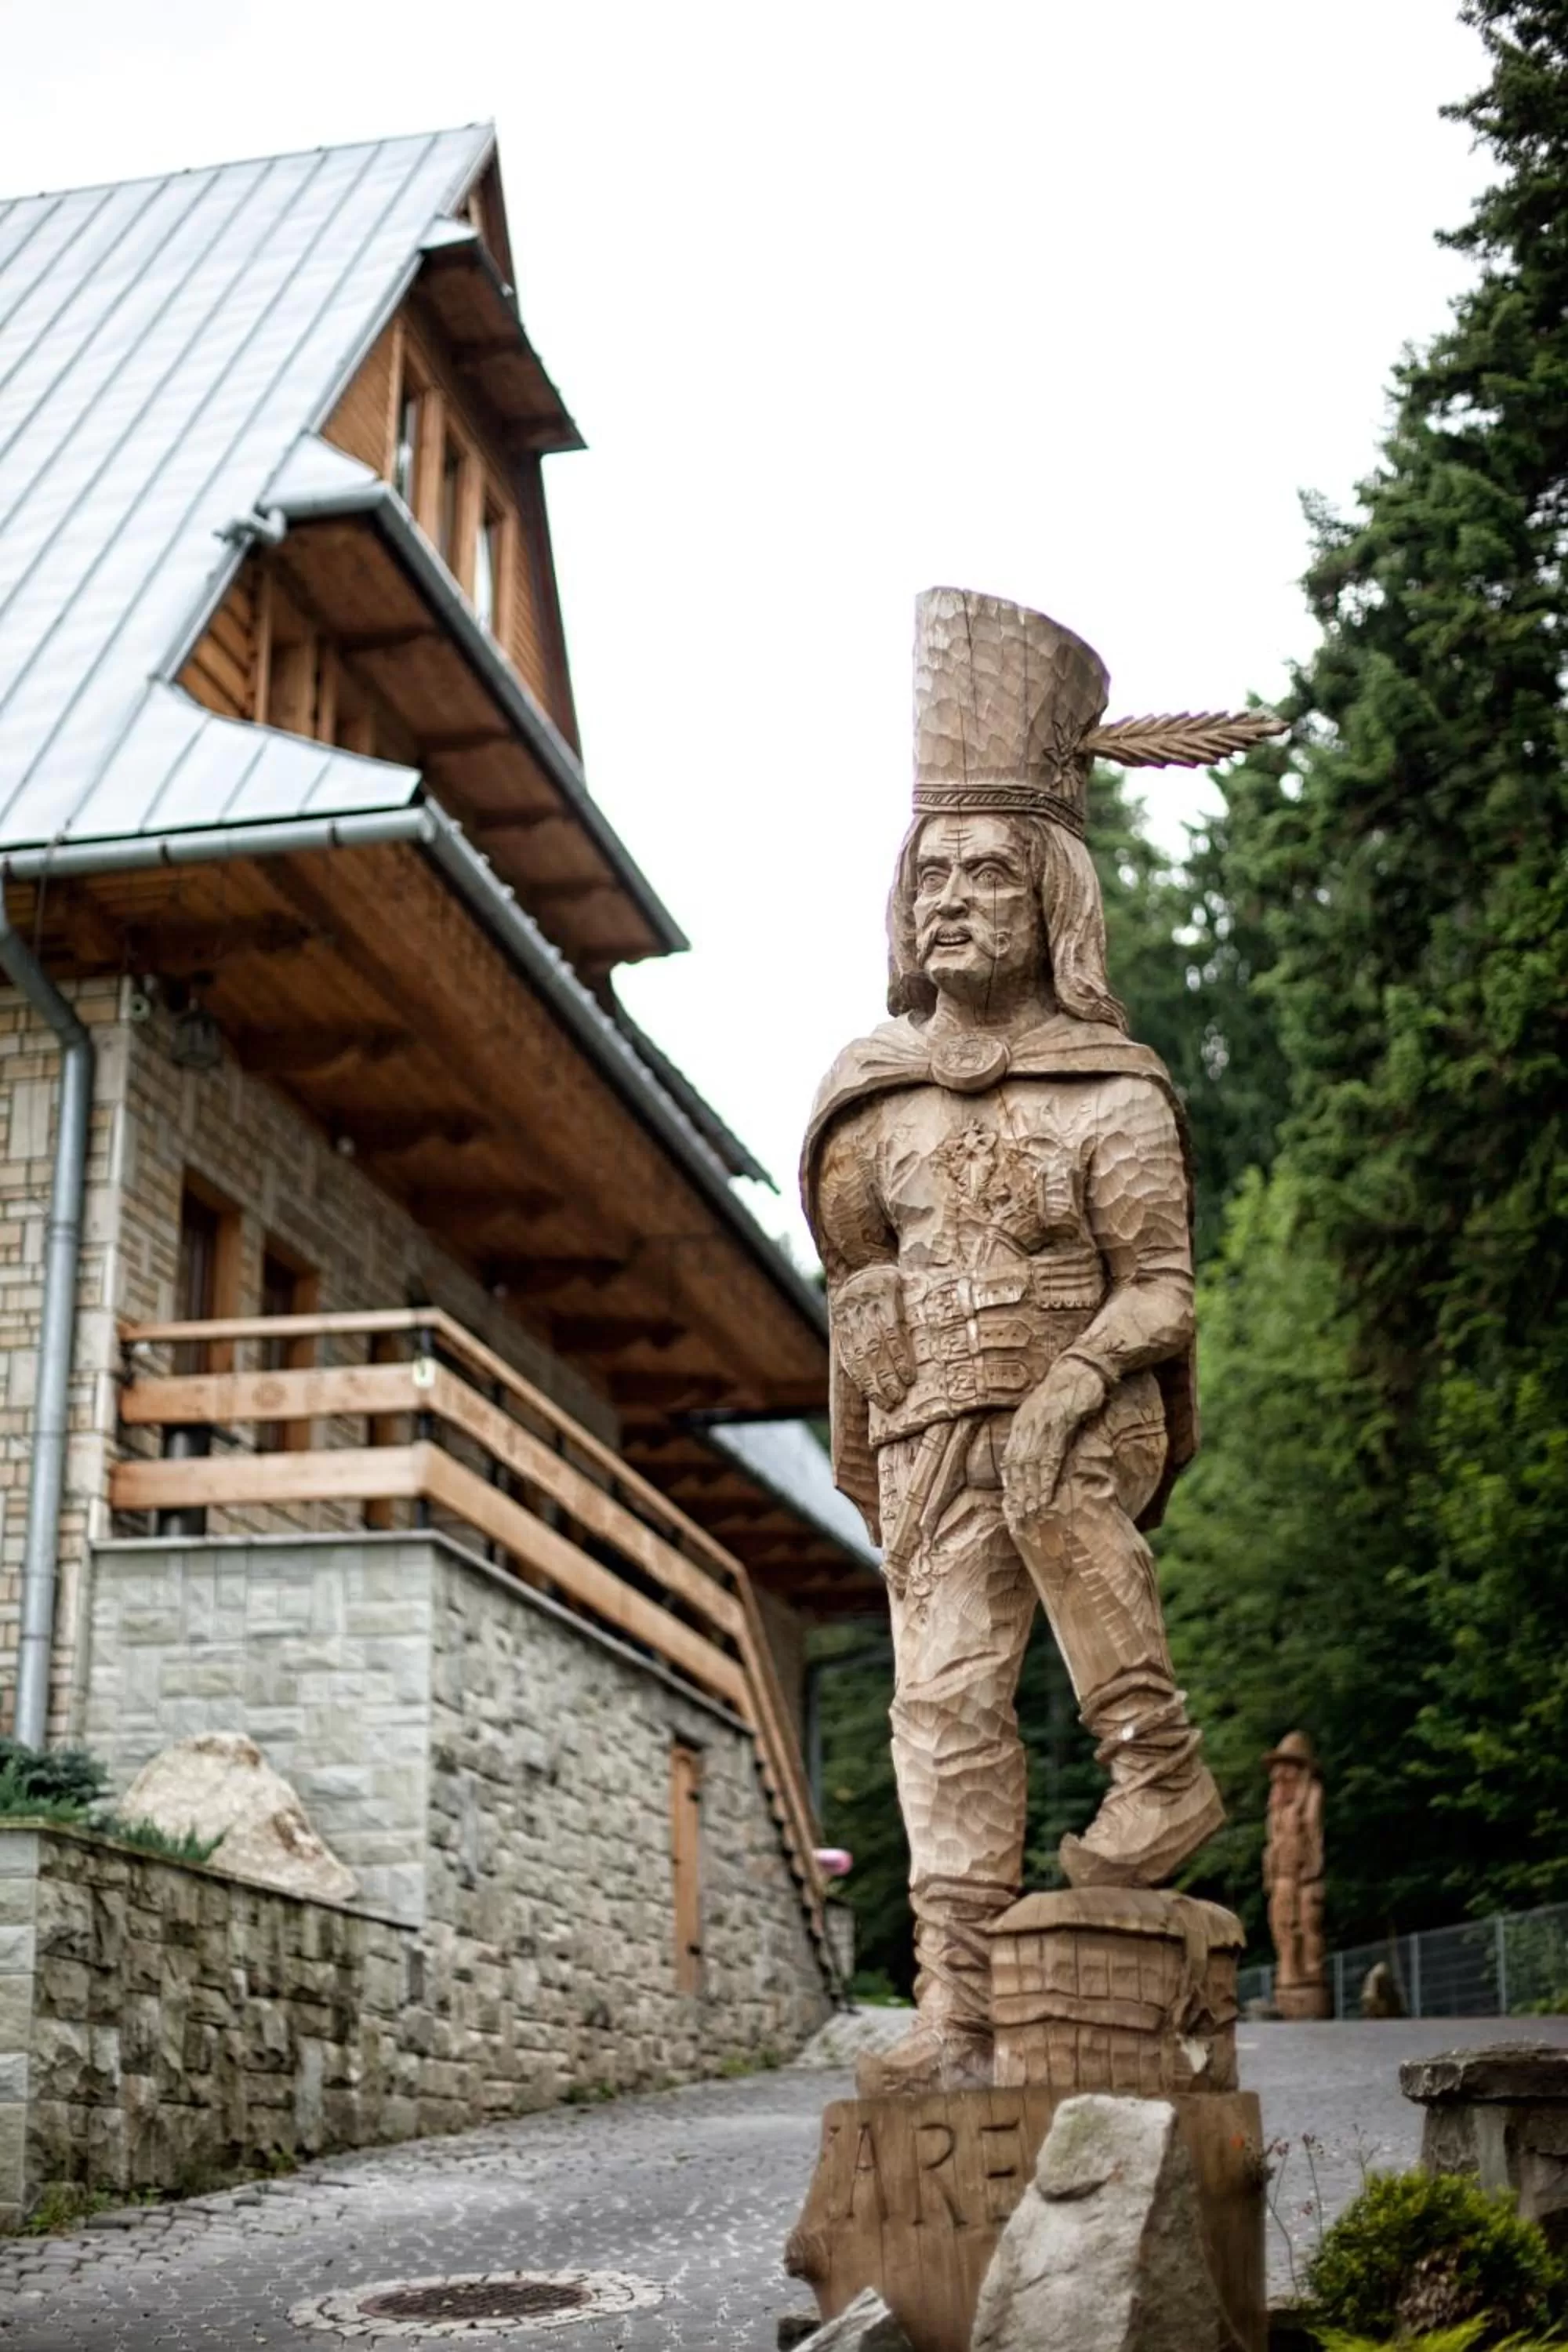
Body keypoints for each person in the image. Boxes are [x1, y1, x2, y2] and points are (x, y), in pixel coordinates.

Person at [801, 588, 1236, 2094]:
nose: (952, 899)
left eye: (988, 870)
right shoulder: (874, 1095)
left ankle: (1157, 1768)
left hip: (1077, 1409)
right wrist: (871, 1344)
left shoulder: (1110, 1091)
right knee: (939, 1701)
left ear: (1053, 895)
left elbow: (1165, 1293)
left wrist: (1068, 1380)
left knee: (1052, 1476)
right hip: (935, 1436)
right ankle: (958, 2011)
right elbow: (857, 1269)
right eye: (931, 874)